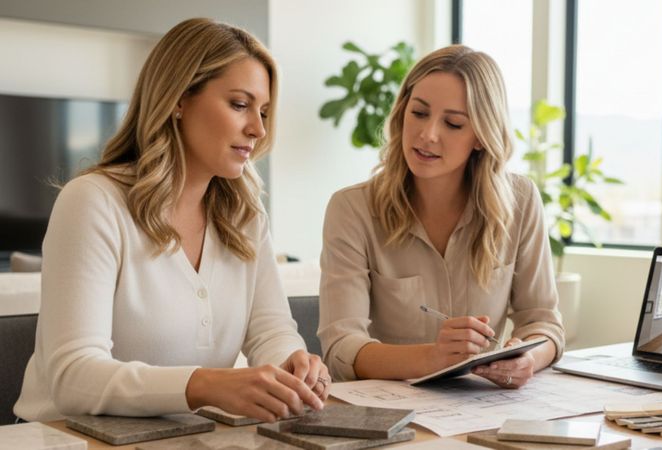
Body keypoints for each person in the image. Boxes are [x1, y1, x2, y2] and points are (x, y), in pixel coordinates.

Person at [14, 18, 330, 423]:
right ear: (178, 99)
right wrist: (207, 385)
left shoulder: (245, 214)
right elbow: (73, 376)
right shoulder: (93, 202)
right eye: (239, 104)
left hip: (180, 436)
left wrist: (294, 365)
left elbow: (270, 330)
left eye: (264, 111)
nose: (258, 128)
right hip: (66, 437)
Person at [318, 45, 565, 387]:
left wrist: (526, 359)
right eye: (419, 113)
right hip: (389, 413)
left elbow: (544, 322)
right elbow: (341, 348)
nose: (427, 134)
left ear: (481, 136)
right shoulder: (352, 209)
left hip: (480, 408)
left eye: (452, 123)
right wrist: (432, 358)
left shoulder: (520, 201)